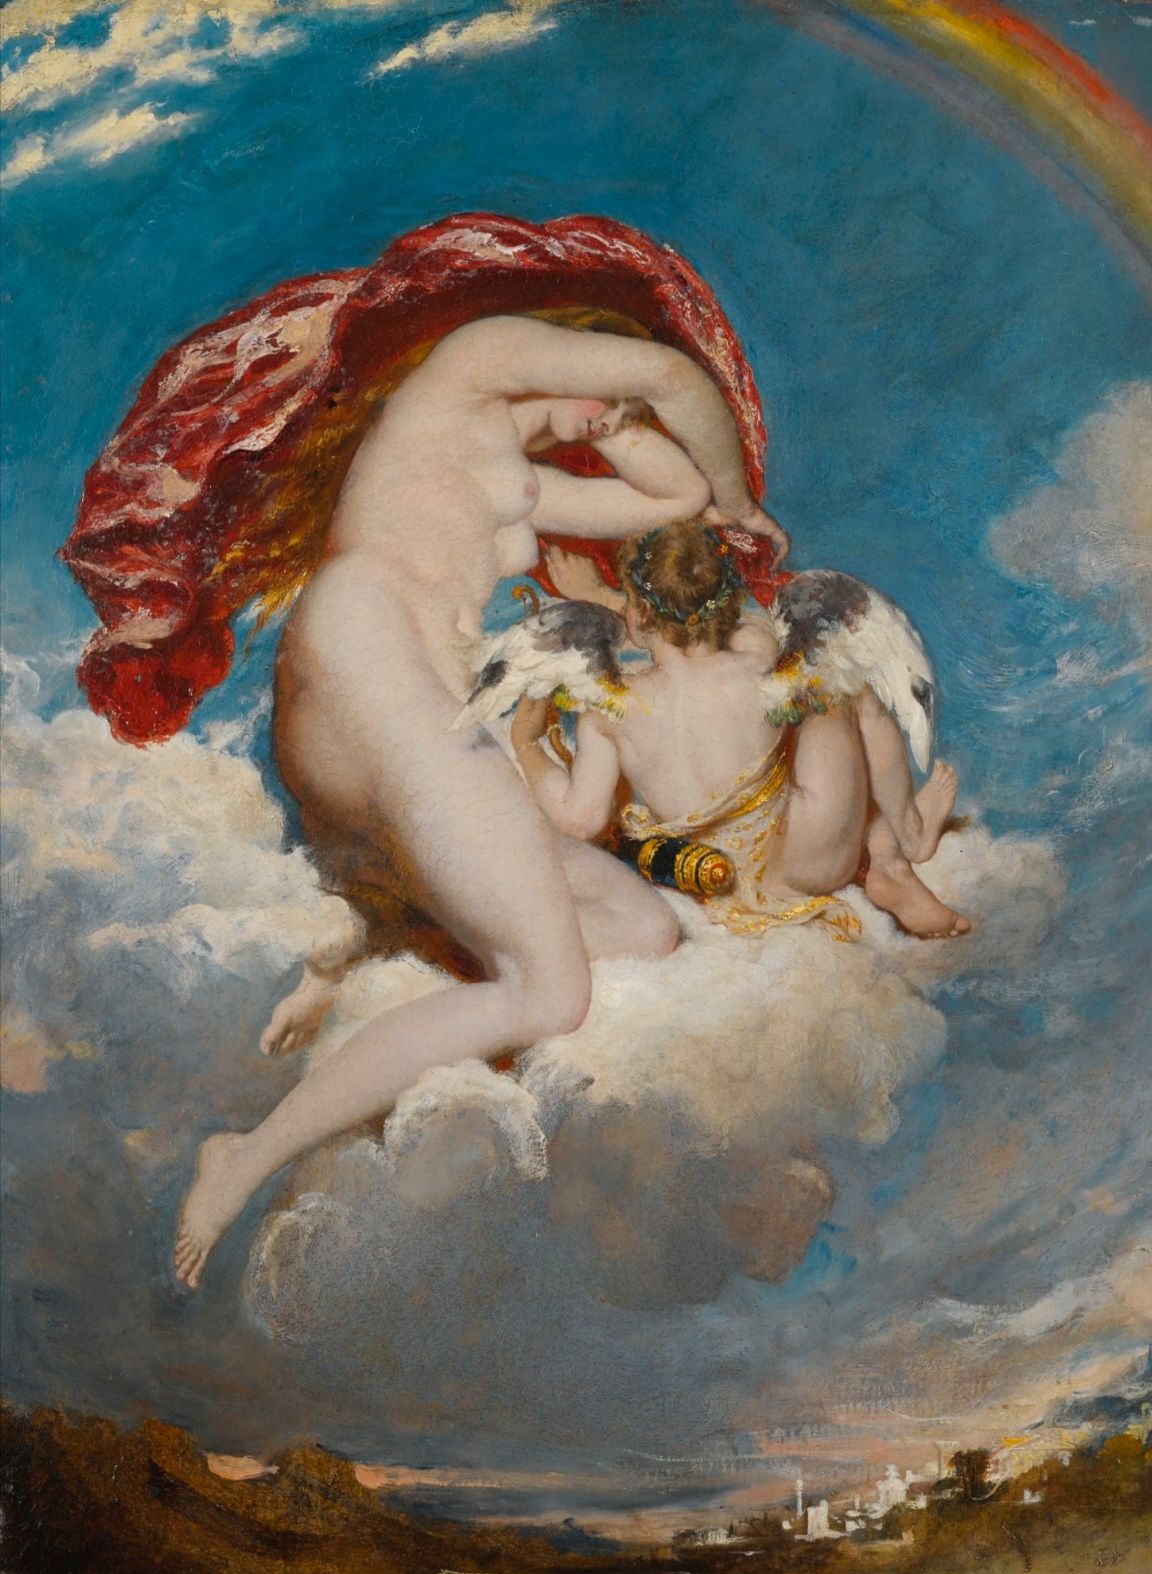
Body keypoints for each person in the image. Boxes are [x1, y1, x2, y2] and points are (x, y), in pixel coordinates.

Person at [174, 315, 787, 1287]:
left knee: (642, 928)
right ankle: (245, 1154)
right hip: (369, 659)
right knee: (551, 991)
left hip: (397, 703)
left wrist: (629, 433)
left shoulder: (520, 473)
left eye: (619, 410)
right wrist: (742, 499)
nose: (606, 409)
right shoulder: (473, 365)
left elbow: (676, 496)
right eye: (603, 387)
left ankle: (366, 947)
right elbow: (674, 376)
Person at [510, 524, 971, 941]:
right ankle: (900, 844)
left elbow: (580, 820)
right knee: (840, 685)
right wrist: (643, 605)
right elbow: (733, 625)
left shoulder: (610, 710)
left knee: (806, 698)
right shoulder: (756, 655)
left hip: (717, 876)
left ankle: (890, 857)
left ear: (640, 613)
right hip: (814, 859)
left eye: (628, 603)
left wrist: (527, 745)